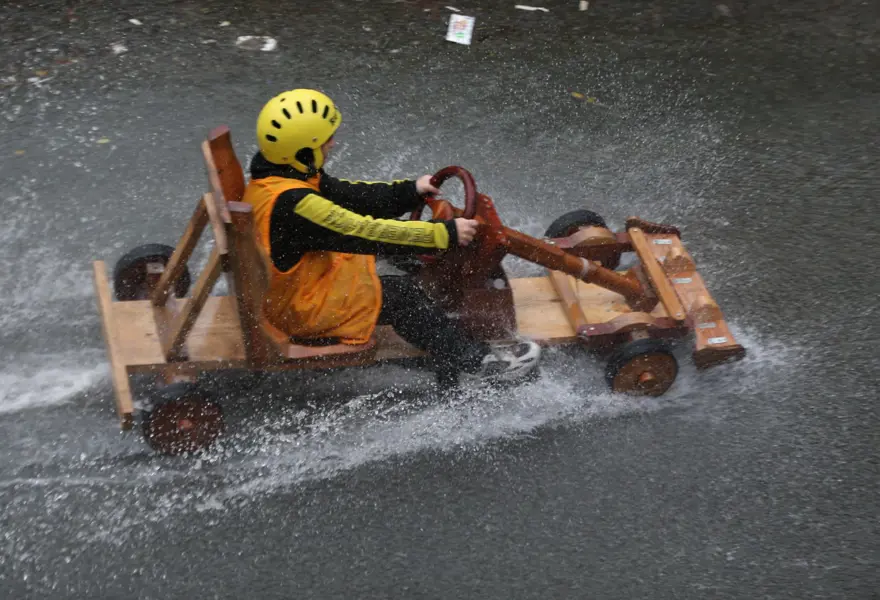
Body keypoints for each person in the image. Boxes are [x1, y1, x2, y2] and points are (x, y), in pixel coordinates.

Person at [242, 88, 540, 383]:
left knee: (404, 254)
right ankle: (475, 362)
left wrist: (408, 192)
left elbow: (349, 196)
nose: (332, 143)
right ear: (303, 151)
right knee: (401, 297)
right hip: (302, 309)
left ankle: (440, 327)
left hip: (304, 281)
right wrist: (443, 233)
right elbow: (365, 232)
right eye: (325, 139)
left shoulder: (280, 175)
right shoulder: (297, 206)